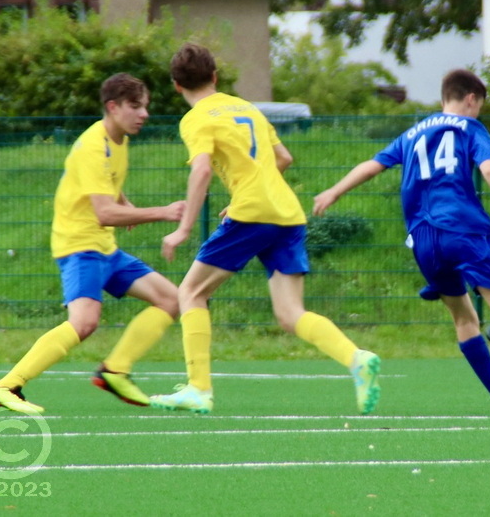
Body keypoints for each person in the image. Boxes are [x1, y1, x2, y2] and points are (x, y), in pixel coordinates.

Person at [149, 43, 380, 415]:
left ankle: (198, 388)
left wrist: (183, 228)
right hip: (286, 212)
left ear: (176, 86)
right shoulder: (246, 108)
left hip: (253, 212)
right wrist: (254, 190)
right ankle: (356, 358)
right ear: (215, 77)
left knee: (189, 292)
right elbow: (283, 158)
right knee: (290, 314)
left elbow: (203, 170)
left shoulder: (196, 119)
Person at [313, 69, 490, 413]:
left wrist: (334, 191)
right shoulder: (470, 127)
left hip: (423, 239)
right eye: (479, 106)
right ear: (471, 99)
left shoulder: (412, 133)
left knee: (463, 318)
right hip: (462, 228)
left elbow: (373, 165)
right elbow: (489, 169)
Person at [0, 73, 184, 413]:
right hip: (80, 245)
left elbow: (107, 185)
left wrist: (128, 204)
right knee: (84, 322)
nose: (144, 114)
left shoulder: (118, 139)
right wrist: (163, 212)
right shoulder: (94, 146)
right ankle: (7, 385)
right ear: (112, 106)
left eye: (145, 107)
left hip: (104, 246)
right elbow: (104, 213)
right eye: (135, 106)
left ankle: (115, 371)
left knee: (171, 299)